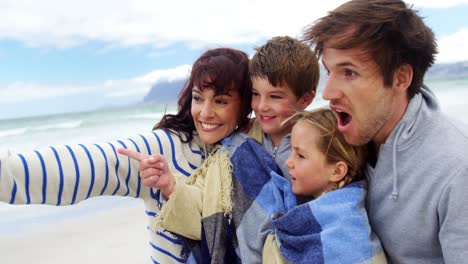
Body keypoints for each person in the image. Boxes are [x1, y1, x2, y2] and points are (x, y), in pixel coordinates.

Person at [0, 47, 252, 263]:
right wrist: (7, 170)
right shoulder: (166, 147)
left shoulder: (250, 154)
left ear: (244, 105)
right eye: (198, 98)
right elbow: (95, 165)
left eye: (220, 101)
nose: (205, 113)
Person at [124, 36, 320, 263]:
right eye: (256, 95)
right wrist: (169, 184)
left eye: (275, 96)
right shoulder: (235, 146)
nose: (262, 106)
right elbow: (207, 204)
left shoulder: (320, 139)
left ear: (306, 99)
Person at [303, 0, 468, 263]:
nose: (328, 93)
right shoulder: (344, 136)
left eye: (349, 72)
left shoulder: (457, 168)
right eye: (329, 71)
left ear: (401, 78)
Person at [262, 108, 386, 263]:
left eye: (300, 155)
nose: (288, 162)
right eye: (291, 151)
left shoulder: (346, 232)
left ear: (337, 171)